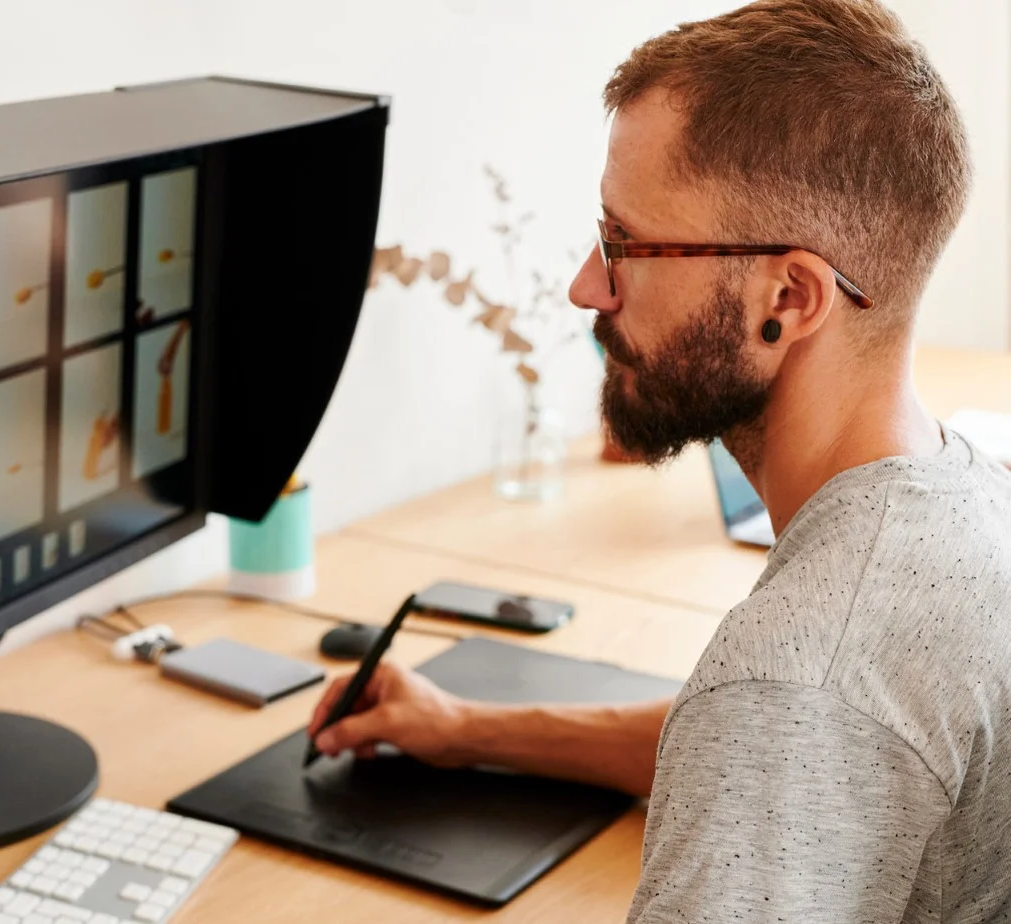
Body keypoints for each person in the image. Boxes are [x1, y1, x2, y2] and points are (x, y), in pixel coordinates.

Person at [307, 1, 1011, 920]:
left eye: (627, 244)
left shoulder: (796, 682)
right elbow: (771, 748)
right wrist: (467, 729)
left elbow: (784, 718)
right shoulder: (967, 494)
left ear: (788, 297)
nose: (586, 286)